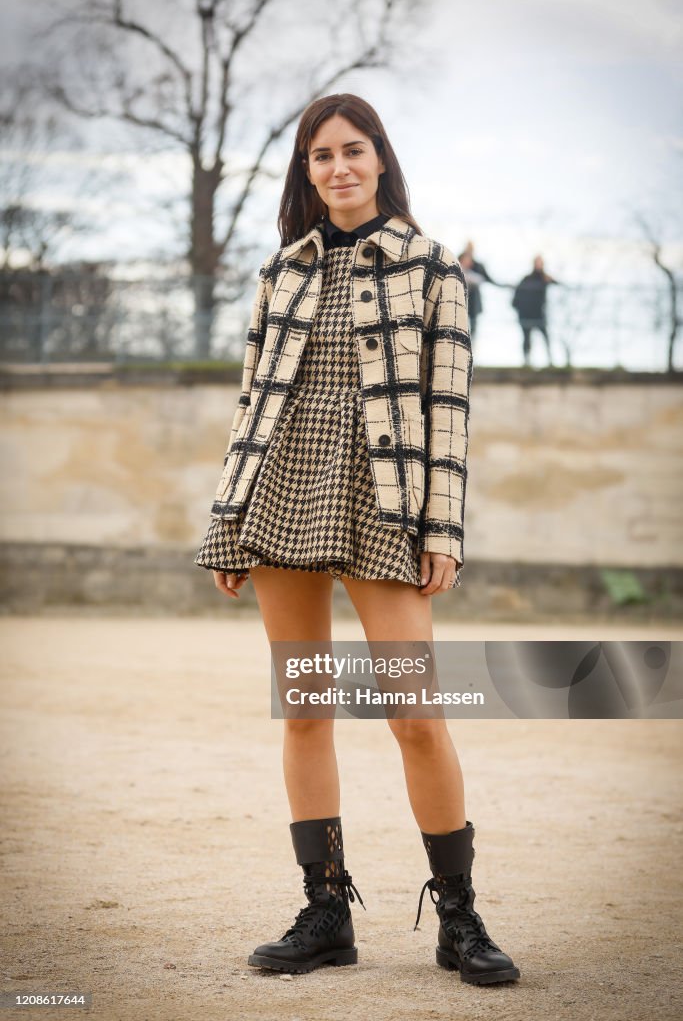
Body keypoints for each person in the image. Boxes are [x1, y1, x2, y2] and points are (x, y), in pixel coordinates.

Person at [194, 93, 520, 986]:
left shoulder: (431, 269)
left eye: (353, 150)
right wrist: (228, 520)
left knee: (414, 713)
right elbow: (251, 405)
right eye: (321, 156)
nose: (338, 167)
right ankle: (325, 908)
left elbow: (448, 413)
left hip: (386, 504)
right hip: (284, 497)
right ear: (307, 172)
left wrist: (442, 526)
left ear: (380, 158)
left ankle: (459, 917)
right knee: (305, 707)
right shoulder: (281, 270)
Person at [512, 255, 559, 367]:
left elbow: (556, 283)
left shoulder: (545, 278)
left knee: (545, 336)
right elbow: (516, 297)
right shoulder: (527, 279)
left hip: (539, 313)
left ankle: (550, 361)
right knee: (527, 338)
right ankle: (527, 362)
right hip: (526, 313)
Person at [458, 241, 507, 342]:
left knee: (474, 326)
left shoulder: (478, 266)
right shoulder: (458, 263)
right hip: (461, 299)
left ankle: (471, 346)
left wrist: (505, 285)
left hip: (473, 301)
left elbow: (487, 279)